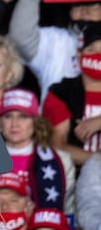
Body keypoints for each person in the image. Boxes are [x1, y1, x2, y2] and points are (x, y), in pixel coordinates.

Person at [42, 22, 101, 167]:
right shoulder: (61, 92)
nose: (98, 56)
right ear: (79, 55)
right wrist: (97, 160)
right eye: (91, 49)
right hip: (74, 180)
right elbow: (57, 147)